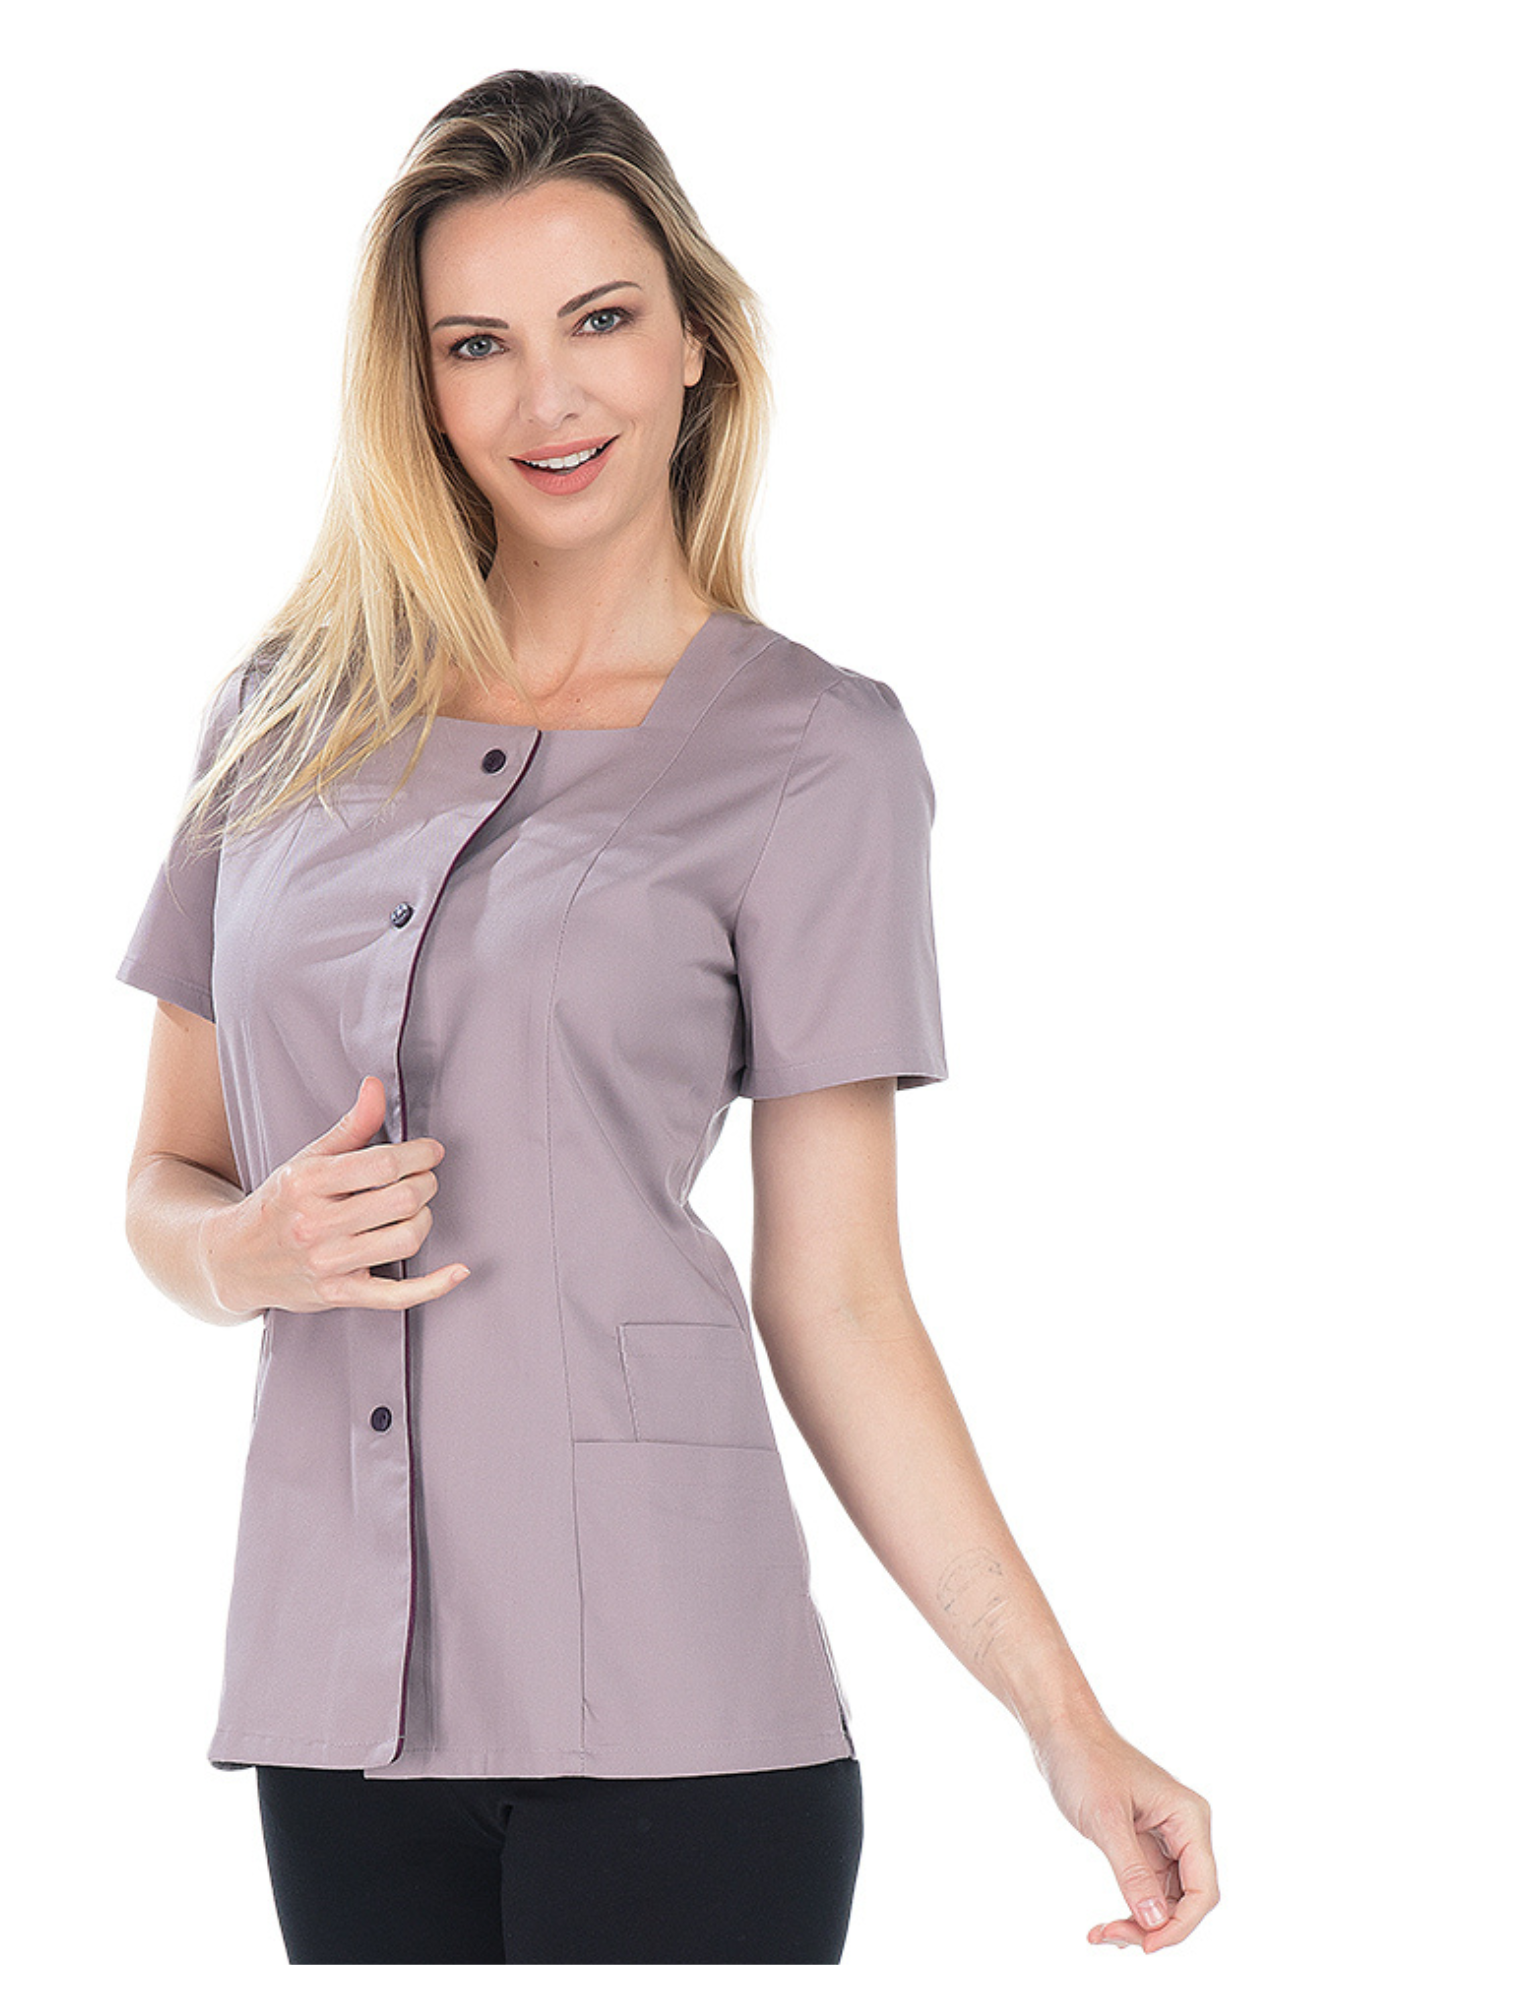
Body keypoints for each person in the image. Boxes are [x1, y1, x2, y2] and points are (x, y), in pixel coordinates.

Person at [116, 67, 1219, 1966]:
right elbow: (167, 1176)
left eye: (602, 321)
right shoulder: (280, 717)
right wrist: (245, 1255)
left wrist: (1066, 1719)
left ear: (696, 341)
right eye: (478, 345)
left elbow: (840, 1298)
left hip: (680, 1716)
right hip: (338, 1712)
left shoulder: (814, 754)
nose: (548, 400)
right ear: (419, 387)